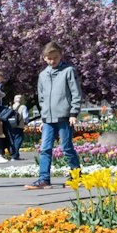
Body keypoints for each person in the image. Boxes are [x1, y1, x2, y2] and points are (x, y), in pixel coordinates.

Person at [27, 44, 83, 189]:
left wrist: (73, 113)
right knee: (45, 148)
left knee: (66, 147)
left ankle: (76, 175)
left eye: (55, 58)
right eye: (49, 59)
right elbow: (42, 99)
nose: (52, 61)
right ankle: (44, 179)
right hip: (48, 119)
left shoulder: (68, 71)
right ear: (44, 58)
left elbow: (76, 93)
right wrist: (43, 117)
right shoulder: (43, 75)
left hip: (64, 116)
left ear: (60, 55)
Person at [8, 95, 31, 160]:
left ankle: (14, 154)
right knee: (18, 140)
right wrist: (26, 123)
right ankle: (14, 155)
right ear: (21, 100)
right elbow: (25, 117)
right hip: (19, 126)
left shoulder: (10, 107)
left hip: (11, 126)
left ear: (14, 100)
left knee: (12, 140)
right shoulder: (23, 107)